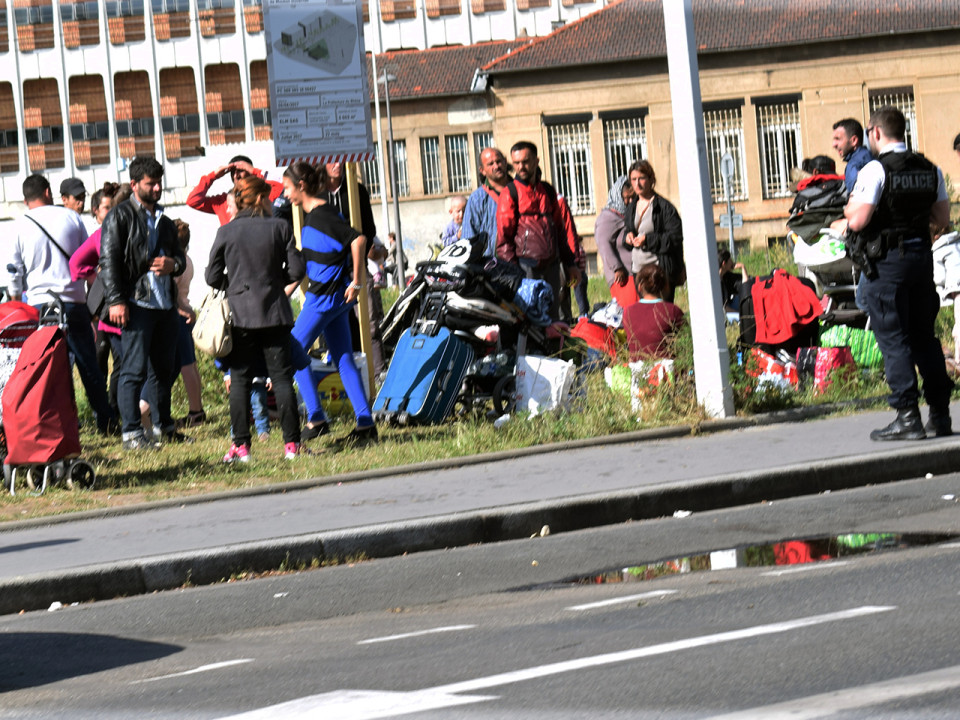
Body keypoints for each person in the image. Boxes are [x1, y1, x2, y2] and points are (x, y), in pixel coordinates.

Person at [844, 105, 954, 441]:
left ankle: (907, 417)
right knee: (924, 337)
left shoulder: (875, 169)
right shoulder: (930, 168)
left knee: (893, 339)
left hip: (889, 263)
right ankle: (940, 414)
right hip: (921, 259)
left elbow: (857, 221)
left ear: (876, 132)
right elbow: (942, 218)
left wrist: (849, 207)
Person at [206, 176, 305, 462]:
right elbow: (297, 270)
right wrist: (274, 280)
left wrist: (236, 285)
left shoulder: (226, 231)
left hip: (240, 315)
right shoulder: (280, 227)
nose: (272, 202)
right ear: (260, 198)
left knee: (240, 381)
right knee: (282, 379)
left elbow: (212, 276)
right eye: (269, 198)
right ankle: (292, 446)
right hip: (275, 312)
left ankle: (241, 447)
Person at [11, 174, 115, 435]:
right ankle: (106, 420)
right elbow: (88, 258)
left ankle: (56, 423)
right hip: (73, 302)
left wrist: (16, 304)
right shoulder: (71, 218)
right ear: (48, 192)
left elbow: (14, 273)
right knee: (88, 365)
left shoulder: (19, 225)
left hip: (38, 307)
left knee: (46, 368)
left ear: (25, 199)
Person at [283, 162, 378, 446]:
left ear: (301, 186)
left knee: (292, 351)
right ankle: (365, 424)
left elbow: (358, 240)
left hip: (324, 299)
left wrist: (357, 282)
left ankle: (316, 417)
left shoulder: (321, 215)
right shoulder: (319, 214)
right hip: (334, 301)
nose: (285, 194)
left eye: (287, 188)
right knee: (344, 359)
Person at [100, 156, 188, 451]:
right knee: (133, 370)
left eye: (159, 182)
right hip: (135, 302)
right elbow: (109, 261)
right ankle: (131, 433)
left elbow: (179, 257)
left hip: (164, 304)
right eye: (151, 184)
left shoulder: (164, 219)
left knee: (164, 369)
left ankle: (164, 426)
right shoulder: (119, 216)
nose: (158, 188)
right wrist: (116, 300)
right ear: (135, 184)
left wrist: (173, 265)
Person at [496, 140, 581, 321]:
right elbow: (504, 240)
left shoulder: (548, 191)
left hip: (552, 265)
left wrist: (570, 263)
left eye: (525, 161)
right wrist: (515, 275)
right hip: (525, 268)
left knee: (554, 319)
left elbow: (559, 231)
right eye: (516, 163)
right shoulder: (510, 193)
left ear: (536, 160)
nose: (521, 167)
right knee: (530, 320)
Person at [69, 181, 127, 418]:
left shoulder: (122, 230)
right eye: (106, 208)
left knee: (122, 364)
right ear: (96, 211)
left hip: (119, 308)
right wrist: (97, 277)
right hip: (102, 310)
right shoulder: (98, 235)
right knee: (101, 359)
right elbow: (76, 264)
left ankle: (115, 410)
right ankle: (104, 412)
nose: (111, 213)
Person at [623, 159, 685, 303]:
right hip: (638, 270)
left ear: (651, 179)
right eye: (633, 179)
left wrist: (647, 240)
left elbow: (675, 237)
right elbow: (628, 231)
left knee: (662, 311)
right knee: (645, 311)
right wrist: (627, 237)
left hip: (659, 270)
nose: (637, 184)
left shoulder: (664, 207)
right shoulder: (631, 208)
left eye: (641, 178)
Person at [170, 219, 206, 428]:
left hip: (179, 314)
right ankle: (197, 408)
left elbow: (172, 291)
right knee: (191, 364)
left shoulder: (176, 264)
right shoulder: (188, 260)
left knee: (185, 365)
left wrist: (178, 308)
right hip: (186, 312)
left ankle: (195, 411)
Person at [187, 154, 283, 226]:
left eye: (240, 170)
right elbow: (192, 201)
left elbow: (283, 186)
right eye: (232, 172)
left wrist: (254, 171)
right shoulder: (223, 201)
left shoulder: (261, 197)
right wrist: (213, 176)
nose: (236, 176)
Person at [622, 263, 685, 362]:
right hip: (666, 368)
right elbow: (686, 342)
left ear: (639, 287)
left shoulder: (627, 312)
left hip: (636, 368)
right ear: (666, 286)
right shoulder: (673, 311)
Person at [594, 175, 638, 307]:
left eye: (633, 197)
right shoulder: (607, 217)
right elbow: (603, 244)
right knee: (629, 312)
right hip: (622, 276)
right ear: (618, 196)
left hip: (634, 273)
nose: (630, 201)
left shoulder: (625, 216)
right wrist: (617, 267)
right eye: (626, 198)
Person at [463, 146, 512, 259]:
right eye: (490, 164)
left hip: (521, 262)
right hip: (492, 264)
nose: (496, 166)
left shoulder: (520, 191)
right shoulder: (477, 199)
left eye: (499, 161)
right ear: (482, 170)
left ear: (505, 162)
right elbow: (468, 239)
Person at [832, 118, 873, 194]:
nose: (833, 144)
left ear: (854, 140)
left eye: (838, 139)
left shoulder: (854, 165)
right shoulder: (869, 156)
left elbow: (856, 197)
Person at [718, 249, 748, 315]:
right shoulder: (716, 283)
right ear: (724, 263)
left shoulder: (726, 275)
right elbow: (724, 308)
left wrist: (742, 267)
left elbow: (746, 284)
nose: (732, 262)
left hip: (729, 306)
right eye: (730, 260)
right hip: (724, 313)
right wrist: (741, 316)